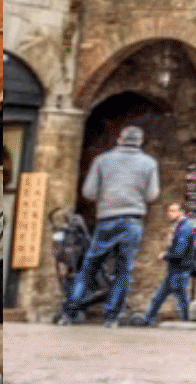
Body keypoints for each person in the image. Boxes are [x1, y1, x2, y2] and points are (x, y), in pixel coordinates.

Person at [56, 125, 161, 325]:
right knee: (123, 271)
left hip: (107, 219)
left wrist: (107, 196)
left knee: (89, 268)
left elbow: (89, 192)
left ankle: (68, 315)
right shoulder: (149, 163)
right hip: (132, 220)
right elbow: (152, 195)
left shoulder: (102, 160)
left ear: (119, 139)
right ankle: (111, 317)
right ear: (140, 141)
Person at [137, 202, 196, 326]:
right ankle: (148, 320)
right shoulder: (181, 227)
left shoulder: (184, 228)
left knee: (178, 299)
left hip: (179, 269)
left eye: (173, 211)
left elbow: (179, 252)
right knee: (164, 297)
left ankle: (184, 322)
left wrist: (165, 255)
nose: (170, 214)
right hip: (176, 270)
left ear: (181, 212)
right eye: (169, 211)